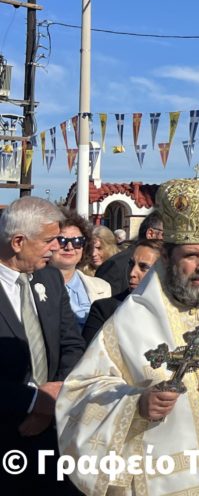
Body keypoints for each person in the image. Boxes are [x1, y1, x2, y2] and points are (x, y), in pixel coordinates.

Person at [56, 178, 199, 496]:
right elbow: (79, 396)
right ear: (167, 258)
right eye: (192, 255)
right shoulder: (132, 321)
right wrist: (137, 405)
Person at [0, 197, 86, 494]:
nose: (58, 247)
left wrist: (57, 397)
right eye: (50, 240)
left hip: (53, 436)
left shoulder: (49, 278)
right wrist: (35, 402)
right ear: (19, 242)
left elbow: (71, 344)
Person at [82, 238, 162, 344]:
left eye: (143, 267)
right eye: (131, 264)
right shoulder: (104, 310)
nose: (132, 273)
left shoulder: (180, 311)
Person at [48, 208, 111, 329]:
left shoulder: (102, 288)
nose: (69, 247)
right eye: (62, 240)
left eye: (77, 241)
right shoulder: (30, 285)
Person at [95, 211, 164, 295]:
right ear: (151, 234)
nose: (133, 273)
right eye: (167, 235)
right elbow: (108, 305)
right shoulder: (115, 266)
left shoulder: (166, 263)